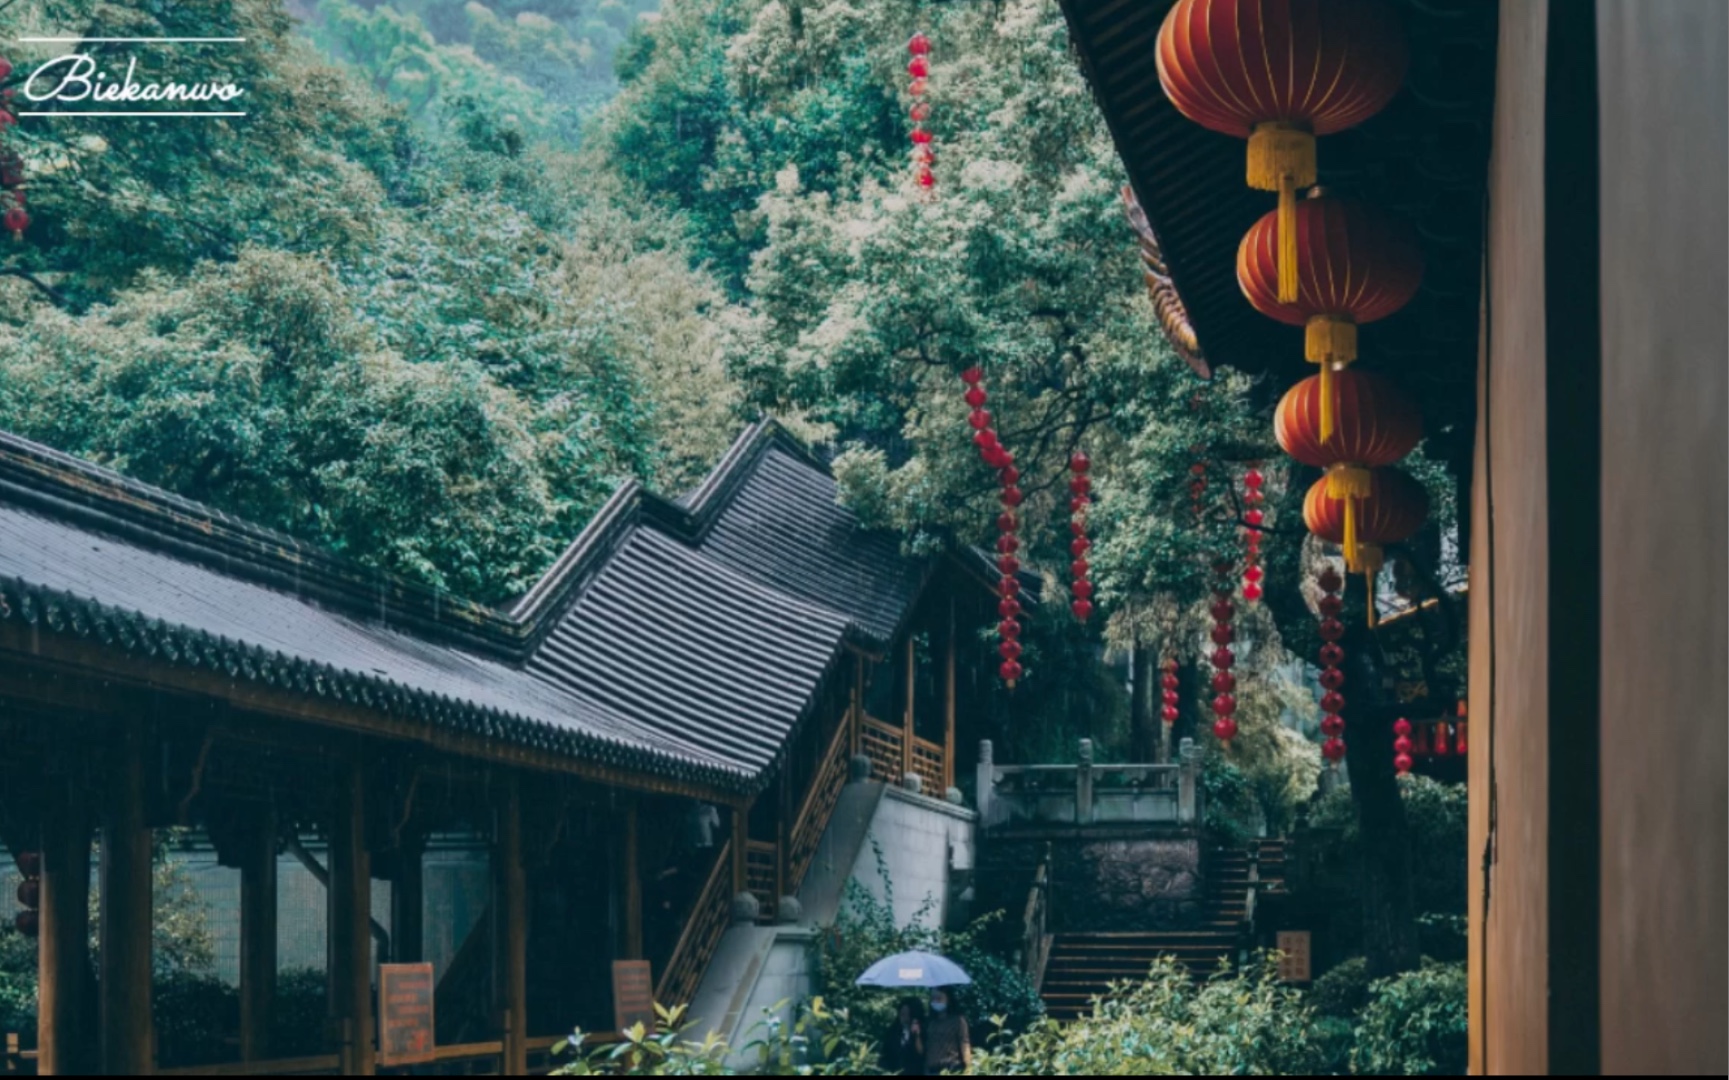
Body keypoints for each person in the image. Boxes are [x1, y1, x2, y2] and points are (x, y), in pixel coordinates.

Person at [922, 986, 971, 1074]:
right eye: (933, 998)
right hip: (932, 1070)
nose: (936, 1001)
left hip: (951, 1068)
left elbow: (964, 1044)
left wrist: (968, 1068)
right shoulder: (930, 1022)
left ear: (948, 999)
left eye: (939, 998)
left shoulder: (958, 1020)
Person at [878, 998, 925, 1075]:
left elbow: (922, 1054)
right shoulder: (893, 1031)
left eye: (906, 1013)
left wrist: (917, 1035)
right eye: (902, 1013)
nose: (903, 1016)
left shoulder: (923, 1030)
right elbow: (885, 1055)